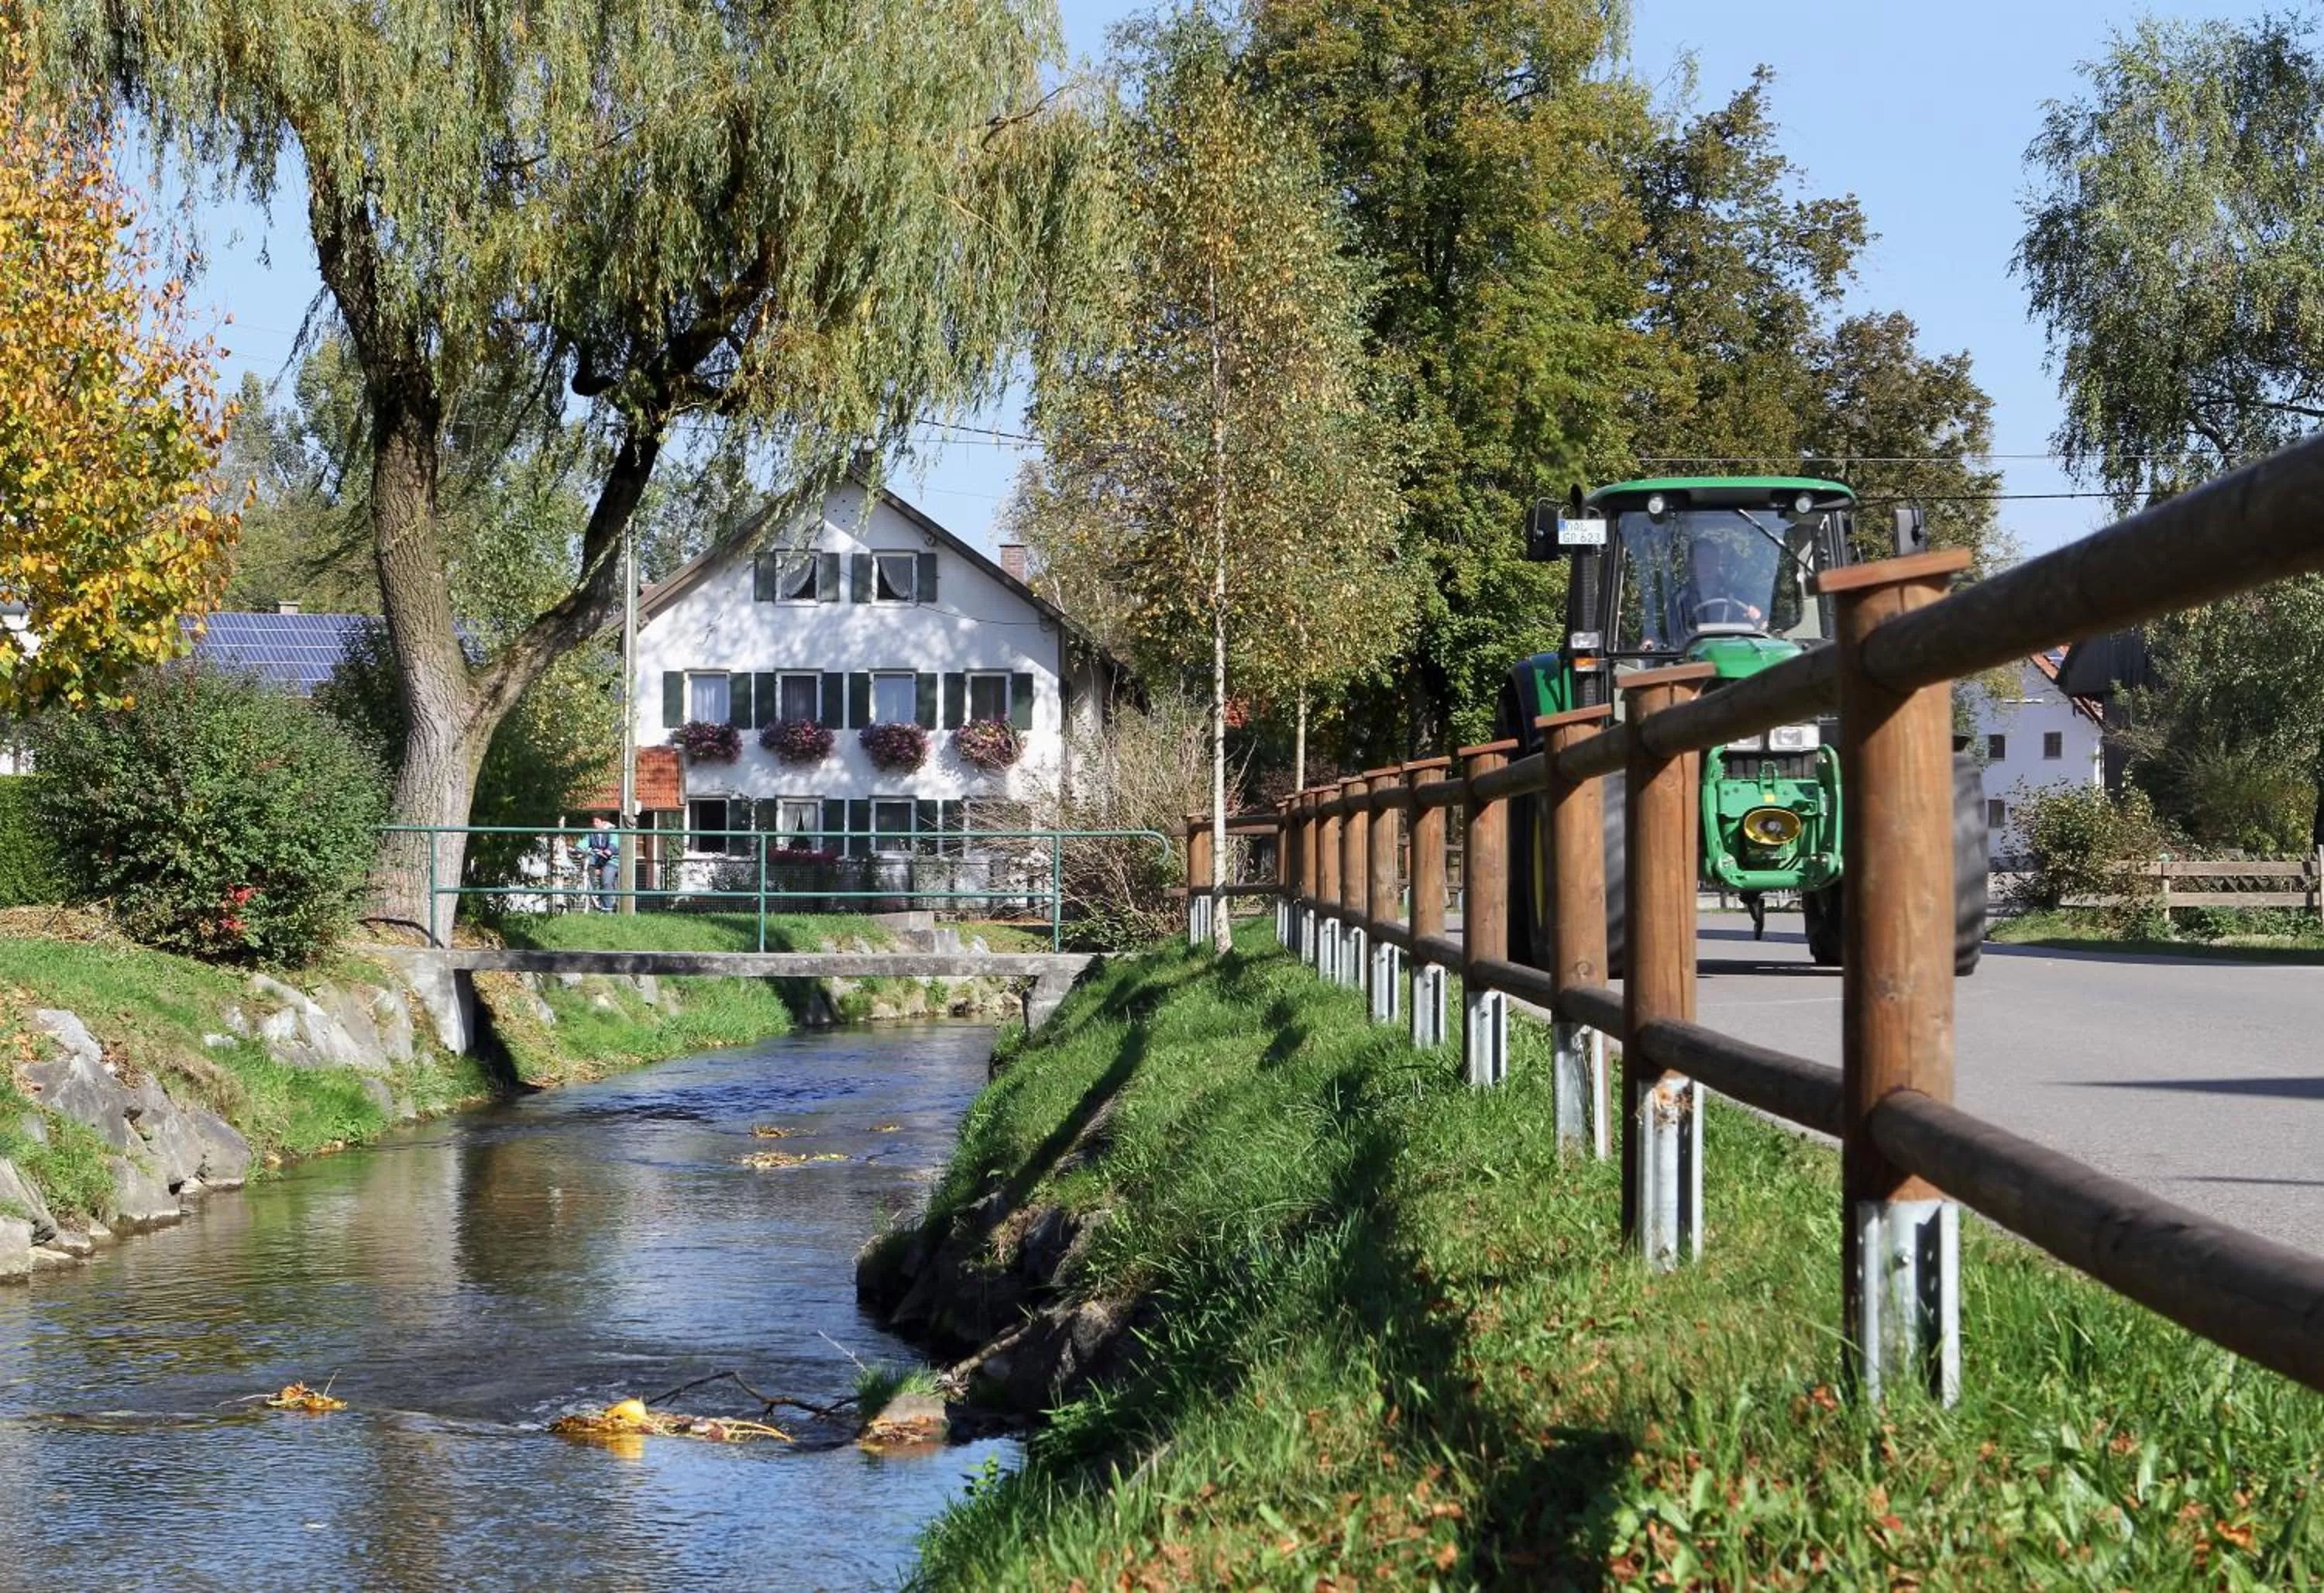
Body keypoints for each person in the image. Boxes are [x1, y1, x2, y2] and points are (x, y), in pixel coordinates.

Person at [586, 815, 620, 912]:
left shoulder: (612, 831)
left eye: (597, 822)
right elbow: (585, 842)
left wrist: (610, 850)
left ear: (603, 822)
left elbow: (614, 842)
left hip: (611, 859)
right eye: (593, 822)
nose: (594, 824)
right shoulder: (592, 833)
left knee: (606, 882)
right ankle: (594, 891)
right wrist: (577, 848)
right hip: (597, 859)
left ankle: (608, 908)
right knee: (589, 865)